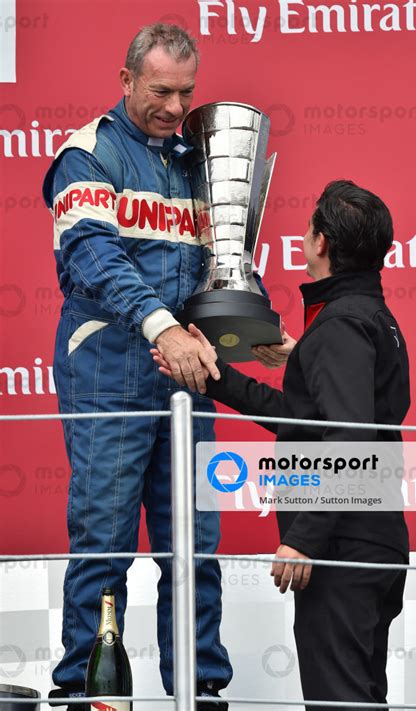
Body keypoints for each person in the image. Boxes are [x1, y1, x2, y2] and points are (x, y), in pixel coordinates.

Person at [42, 23, 294, 711]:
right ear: (125, 81)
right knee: (103, 542)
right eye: (160, 91)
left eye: (186, 92)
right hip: (109, 373)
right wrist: (163, 328)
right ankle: (86, 692)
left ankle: (200, 686)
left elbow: (220, 260)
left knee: (196, 544)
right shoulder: (88, 154)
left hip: (189, 379)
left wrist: (254, 329)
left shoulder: (194, 158)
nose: (176, 107)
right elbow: (93, 259)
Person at [153, 179, 411, 710]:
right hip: (371, 542)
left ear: (320, 242)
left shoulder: (342, 326)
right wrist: (217, 376)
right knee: (359, 697)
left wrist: (305, 539)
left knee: (339, 700)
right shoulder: (372, 320)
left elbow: (350, 439)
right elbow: (303, 420)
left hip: (342, 548)